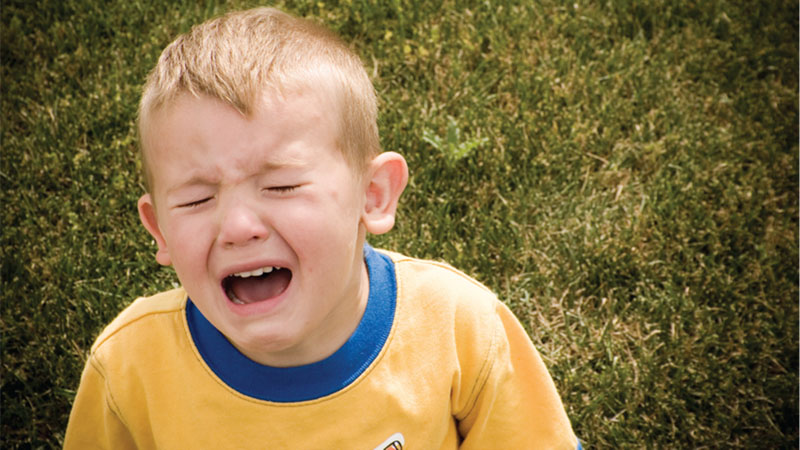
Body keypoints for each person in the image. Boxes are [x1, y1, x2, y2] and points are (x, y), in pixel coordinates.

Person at [64, 7, 579, 449]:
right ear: (159, 232)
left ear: (372, 196)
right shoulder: (129, 369)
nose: (238, 227)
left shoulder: (459, 329)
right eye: (198, 198)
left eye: (282, 186)